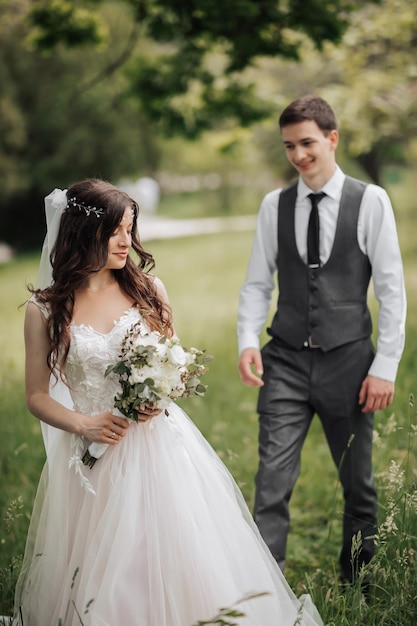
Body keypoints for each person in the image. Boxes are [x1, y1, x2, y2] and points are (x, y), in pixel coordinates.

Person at [13, 179, 324, 626]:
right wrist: (84, 425)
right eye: (115, 231)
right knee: (98, 568)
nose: (127, 242)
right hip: (90, 456)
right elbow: (37, 396)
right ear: (83, 232)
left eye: (130, 229)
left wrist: (159, 397)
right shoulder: (44, 309)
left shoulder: (149, 290)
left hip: (158, 448)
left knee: (174, 553)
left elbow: (175, 366)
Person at [237, 95, 406, 587]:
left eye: (307, 142)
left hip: (350, 363)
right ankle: (264, 592)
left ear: (333, 139)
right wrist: (248, 338)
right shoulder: (275, 205)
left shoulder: (370, 201)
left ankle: (360, 586)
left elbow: (392, 288)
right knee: (270, 484)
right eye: (289, 146)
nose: (298, 155)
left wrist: (386, 365)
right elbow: (256, 284)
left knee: (359, 485)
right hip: (285, 360)